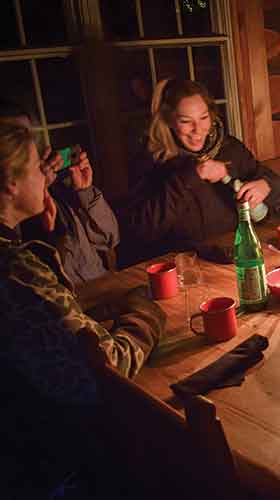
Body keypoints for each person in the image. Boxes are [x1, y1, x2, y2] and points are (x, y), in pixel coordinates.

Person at [0, 121, 165, 404]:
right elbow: (111, 364)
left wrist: (50, 232)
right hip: (61, 434)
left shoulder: (17, 252)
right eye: (38, 168)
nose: (46, 176)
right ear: (10, 184)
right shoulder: (18, 270)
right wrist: (147, 315)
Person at [118, 79, 280, 265]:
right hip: (183, 266)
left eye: (204, 118)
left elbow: (276, 189)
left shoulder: (229, 148)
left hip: (232, 256)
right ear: (169, 121)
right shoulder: (151, 161)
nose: (198, 130)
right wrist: (192, 175)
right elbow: (141, 229)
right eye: (185, 121)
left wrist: (265, 184)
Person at [0, 100, 120, 286]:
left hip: (100, 286)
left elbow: (110, 238)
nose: (27, 142)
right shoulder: (18, 211)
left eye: (29, 135)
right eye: (17, 139)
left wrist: (85, 191)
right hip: (76, 299)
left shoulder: (58, 186)